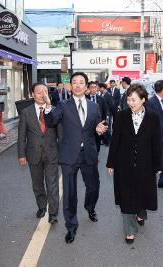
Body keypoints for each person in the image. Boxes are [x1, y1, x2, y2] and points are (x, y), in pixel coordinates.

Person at [43, 72, 108, 244]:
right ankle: (71, 226)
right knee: (70, 193)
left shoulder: (94, 107)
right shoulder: (63, 105)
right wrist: (48, 107)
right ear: (70, 86)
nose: (78, 85)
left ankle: (90, 207)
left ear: (87, 87)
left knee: (94, 186)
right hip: (69, 155)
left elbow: (97, 126)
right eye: (74, 82)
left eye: (81, 82)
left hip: (89, 153)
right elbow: (51, 122)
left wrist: (99, 129)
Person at [106, 83, 162, 244]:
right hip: (124, 163)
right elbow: (115, 140)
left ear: (143, 99)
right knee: (127, 196)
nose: (130, 103)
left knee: (143, 191)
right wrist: (111, 163)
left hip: (146, 162)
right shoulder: (121, 116)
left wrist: (158, 165)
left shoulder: (152, 117)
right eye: (128, 99)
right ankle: (129, 230)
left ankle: (141, 212)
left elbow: (156, 143)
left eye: (134, 100)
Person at [18, 83, 61, 224]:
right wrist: (21, 155)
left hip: (51, 154)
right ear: (32, 94)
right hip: (33, 154)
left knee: (52, 184)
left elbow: (61, 134)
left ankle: (53, 213)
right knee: (37, 184)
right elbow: (21, 135)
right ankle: (42, 207)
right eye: (38, 92)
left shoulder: (55, 111)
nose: (42, 95)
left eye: (45, 92)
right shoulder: (26, 112)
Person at [86, 81, 108, 152]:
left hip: (98, 124)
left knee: (97, 142)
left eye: (95, 87)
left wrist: (103, 122)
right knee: (88, 142)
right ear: (88, 88)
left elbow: (105, 111)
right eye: (91, 87)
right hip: (88, 125)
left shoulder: (101, 99)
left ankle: (96, 157)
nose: (93, 89)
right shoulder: (85, 98)